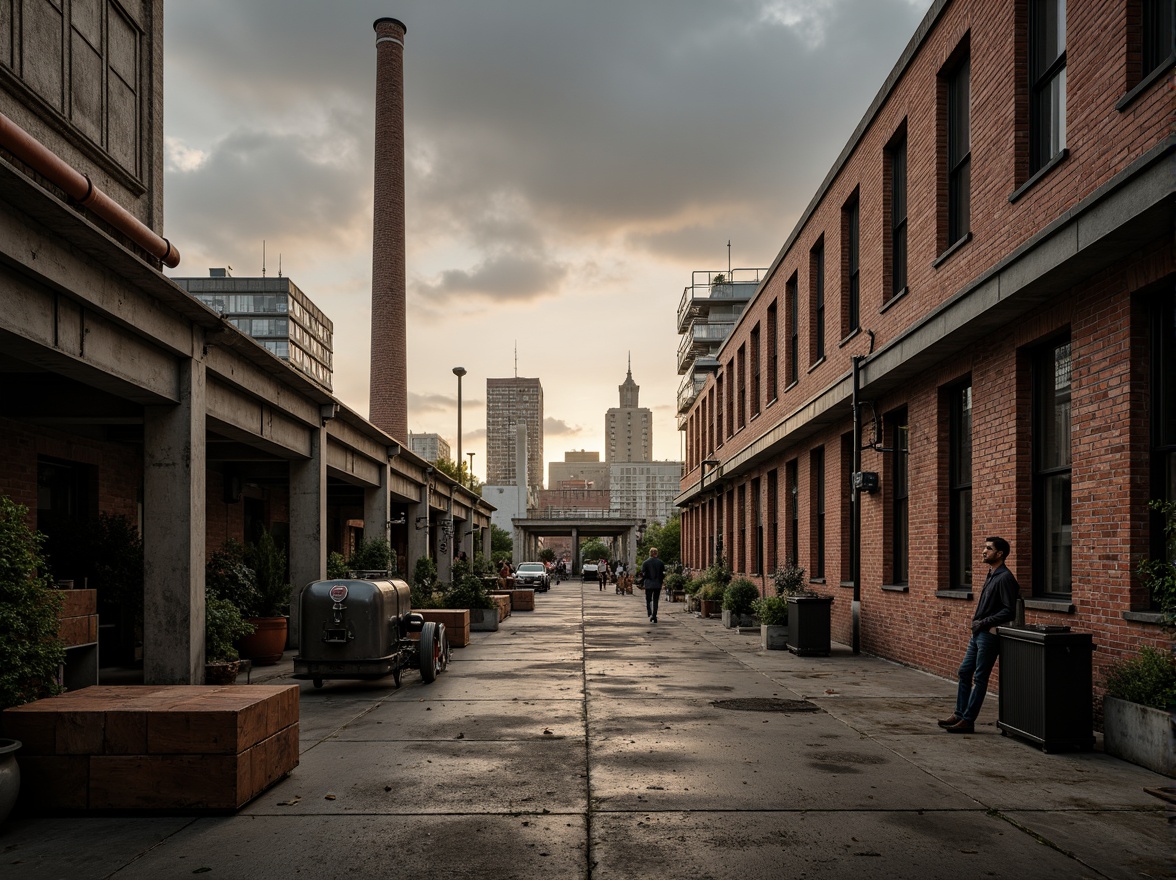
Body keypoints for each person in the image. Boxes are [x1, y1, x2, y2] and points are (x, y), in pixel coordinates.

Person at [940, 536, 1021, 733]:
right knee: (964, 672)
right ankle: (959, 714)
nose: (984, 552)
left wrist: (983, 622)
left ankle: (968, 720)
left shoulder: (1005, 578)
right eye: (985, 548)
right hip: (978, 633)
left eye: (988, 548)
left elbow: (1009, 610)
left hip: (989, 635)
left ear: (999, 554)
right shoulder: (991, 574)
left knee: (980, 677)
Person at [641, 547, 666, 623]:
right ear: (656, 553)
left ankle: (650, 613)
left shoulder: (645, 563)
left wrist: (642, 582)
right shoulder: (660, 563)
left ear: (650, 553)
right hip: (657, 584)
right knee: (656, 600)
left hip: (648, 584)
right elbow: (663, 573)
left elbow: (643, 573)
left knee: (649, 599)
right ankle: (654, 615)